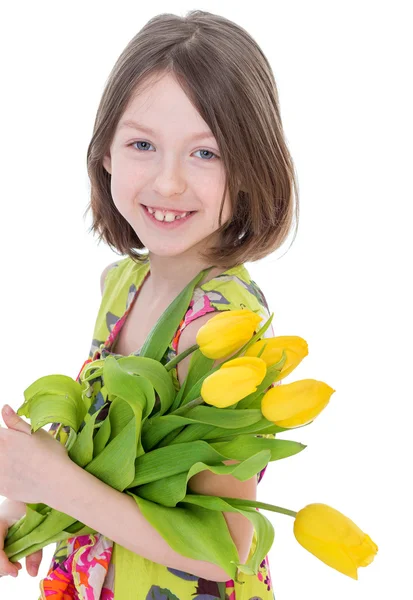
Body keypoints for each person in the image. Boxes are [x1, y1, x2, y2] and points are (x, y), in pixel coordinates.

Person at [0, 9, 299, 599]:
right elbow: (99, 440)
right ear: (105, 153)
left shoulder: (225, 323)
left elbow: (222, 552)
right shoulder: (121, 284)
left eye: (205, 153)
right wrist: (21, 507)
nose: (167, 183)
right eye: (142, 144)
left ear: (248, 168)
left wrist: (54, 482)